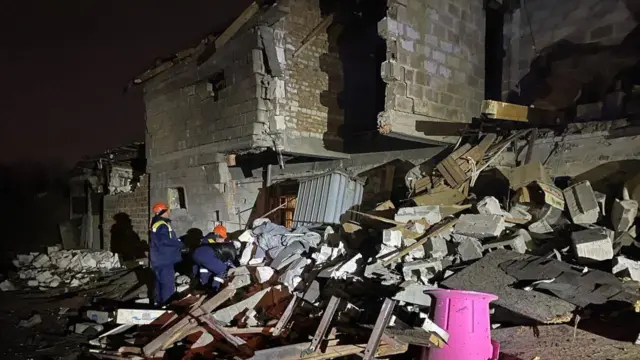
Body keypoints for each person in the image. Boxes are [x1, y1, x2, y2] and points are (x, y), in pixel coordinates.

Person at [149, 202, 184, 305]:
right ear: (162, 212)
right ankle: (168, 306)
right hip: (165, 259)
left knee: (159, 283)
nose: (168, 212)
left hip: (159, 259)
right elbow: (165, 241)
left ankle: (159, 304)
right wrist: (180, 244)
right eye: (166, 210)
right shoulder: (162, 225)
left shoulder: (156, 223)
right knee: (168, 284)